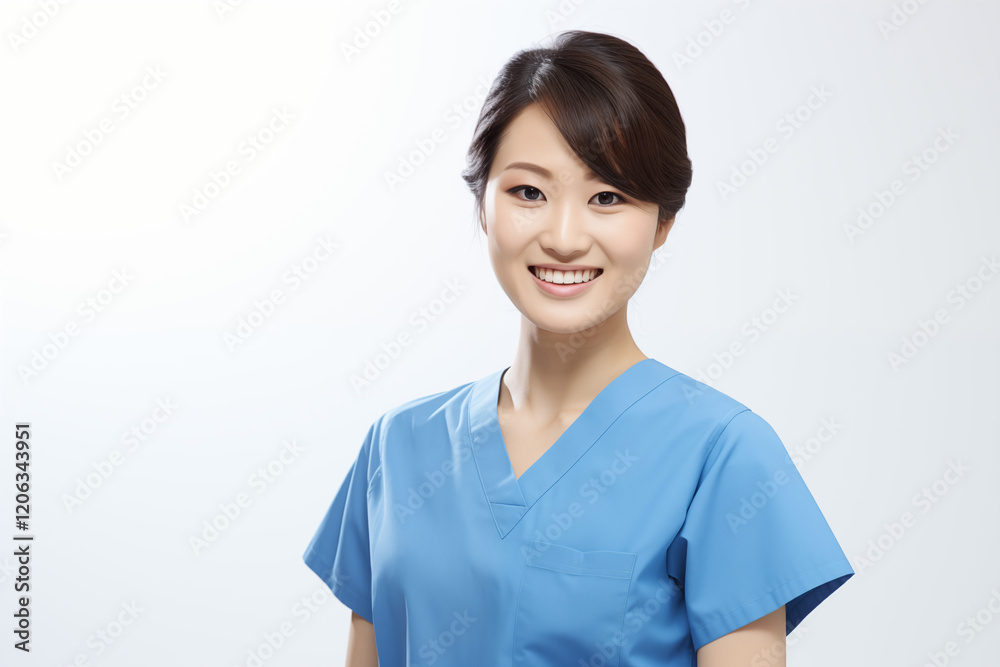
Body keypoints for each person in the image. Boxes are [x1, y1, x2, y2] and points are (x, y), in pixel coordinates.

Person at [303, 29, 853, 666]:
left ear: (663, 222)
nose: (564, 238)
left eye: (608, 198)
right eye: (528, 192)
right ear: (483, 206)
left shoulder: (723, 455)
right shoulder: (397, 448)